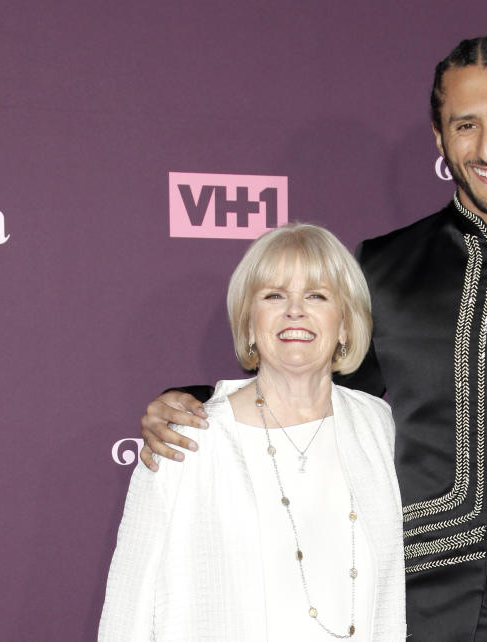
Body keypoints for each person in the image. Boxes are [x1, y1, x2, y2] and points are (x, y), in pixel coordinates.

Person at [141, 35, 487, 641]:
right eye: (465, 125)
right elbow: (313, 399)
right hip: (415, 611)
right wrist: (200, 400)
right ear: (440, 138)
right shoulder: (384, 268)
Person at [100, 224, 405, 640]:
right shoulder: (187, 440)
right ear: (248, 325)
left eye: (317, 295)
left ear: (346, 326)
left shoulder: (379, 428)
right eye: (274, 295)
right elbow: (127, 615)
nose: (295, 310)